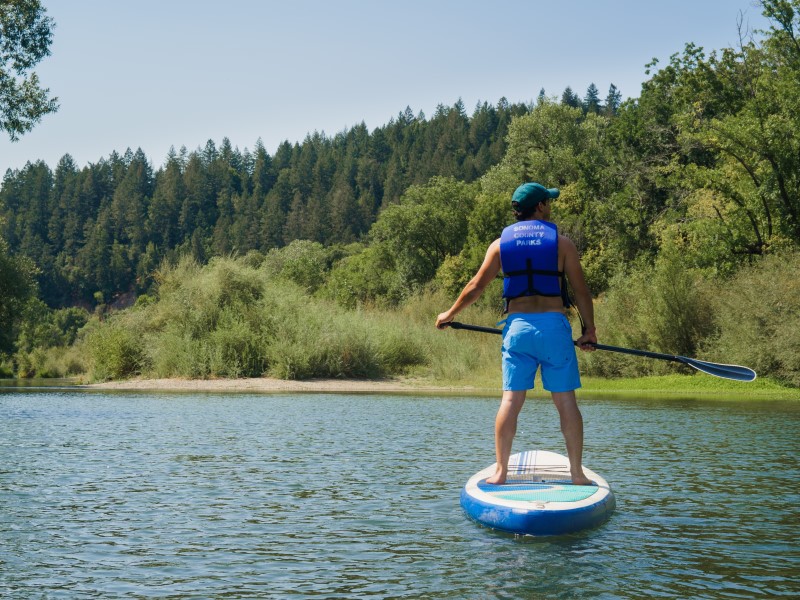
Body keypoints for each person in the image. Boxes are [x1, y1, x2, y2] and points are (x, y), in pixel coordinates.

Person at [435, 182, 597, 486]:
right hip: (553, 328)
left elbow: (476, 287)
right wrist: (589, 331)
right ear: (539, 207)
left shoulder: (499, 245)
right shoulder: (563, 244)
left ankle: (501, 473)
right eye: (548, 201)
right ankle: (576, 474)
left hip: (518, 328)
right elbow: (581, 291)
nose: (551, 206)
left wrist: (449, 314)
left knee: (510, 401)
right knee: (566, 403)